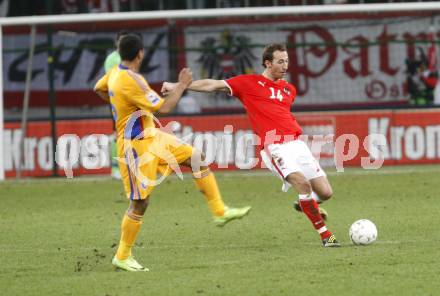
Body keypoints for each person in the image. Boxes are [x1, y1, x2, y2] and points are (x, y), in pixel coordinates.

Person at [94, 34, 251, 272]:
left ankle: (219, 211)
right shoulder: (132, 80)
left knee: (195, 157)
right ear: (141, 54)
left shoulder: (115, 72)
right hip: (135, 145)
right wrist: (182, 85)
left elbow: (98, 88)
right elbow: (165, 107)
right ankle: (122, 256)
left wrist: (120, 107)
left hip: (151, 136)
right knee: (140, 203)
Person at [162, 43, 340, 247]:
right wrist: (179, 86)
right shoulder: (248, 83)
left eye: (287, 61)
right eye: (280, 61)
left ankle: (306, 204)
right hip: (274, 147)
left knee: (325, 192)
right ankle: (326, 236)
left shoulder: (288, 89)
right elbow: (213, 85)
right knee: (303, 185)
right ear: (267, 62)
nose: (285, 66)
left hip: (297, 145)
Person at [104, 30, 129, 180]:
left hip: (131, 101)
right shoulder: (112, 59)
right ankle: (115, 169)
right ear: (117, 42)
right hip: (117, 102)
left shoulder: (131, 57)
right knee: (118, 134)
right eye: (122, 40)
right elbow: (112, 80)